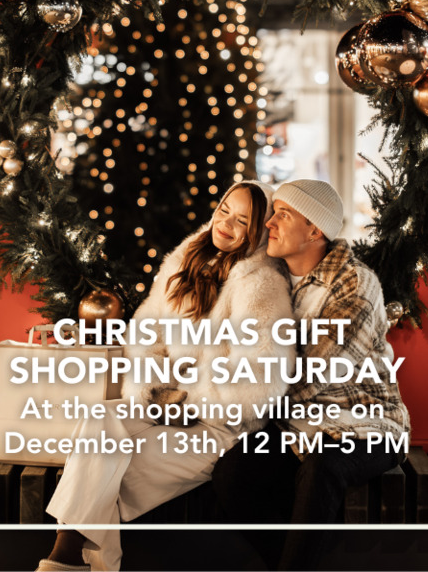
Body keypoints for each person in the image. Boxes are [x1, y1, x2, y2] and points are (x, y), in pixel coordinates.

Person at [38, 181, 296, 572]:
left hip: (219, 426)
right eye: (225, 209)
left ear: (258, 231)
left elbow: (261, 379)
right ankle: (72, 559)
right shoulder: (186, 259)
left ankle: (65, 558)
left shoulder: (261, 284)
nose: (226, 223)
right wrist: (152, 389)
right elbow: (146, 333)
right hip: (163, 407)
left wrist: (190, 399)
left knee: (107, 472)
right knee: (99, 420)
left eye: (242, 220)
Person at [211, 178, 411, 571]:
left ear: (315, 230)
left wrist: (245, 395)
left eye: (283, 215)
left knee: (322, 468)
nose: (269, 223)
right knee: (232, 475)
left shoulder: (355, 282)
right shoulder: (274, 276)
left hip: (366, 422)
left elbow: (319, 371)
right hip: (297, 422)